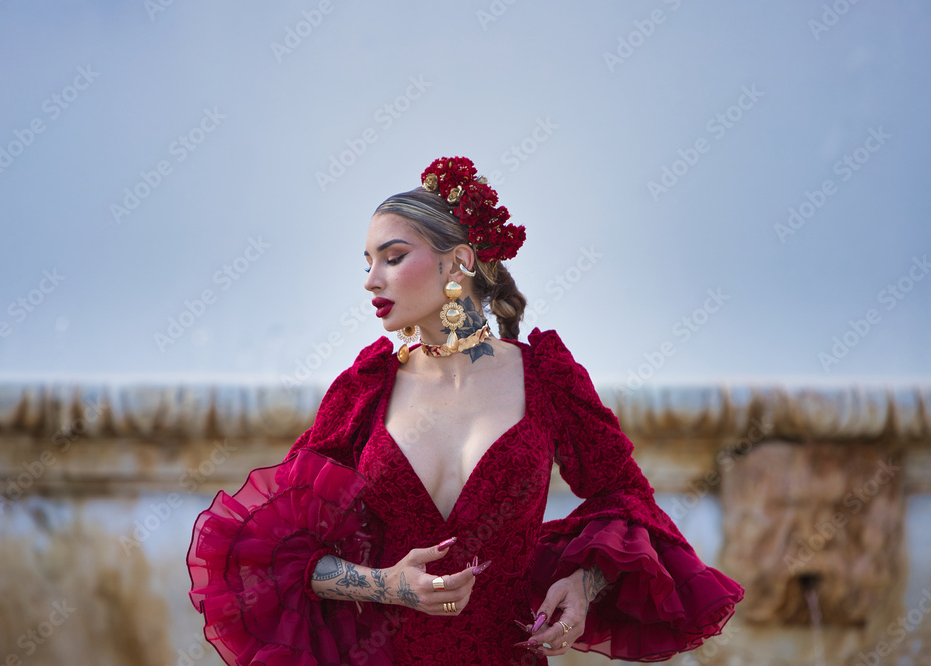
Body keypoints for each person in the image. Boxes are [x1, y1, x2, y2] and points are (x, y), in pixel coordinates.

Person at [187, 156, 745, 665]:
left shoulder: (546, 377)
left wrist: (584, 581)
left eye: (393, 257)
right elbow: (273, 551)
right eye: (367, 262)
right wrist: (385, 586)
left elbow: (626, 499)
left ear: (459, 262)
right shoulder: (365, 389)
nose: (370, 280)